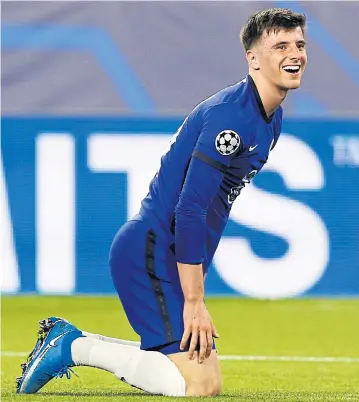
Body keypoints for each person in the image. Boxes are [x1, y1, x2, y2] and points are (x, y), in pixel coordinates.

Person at [16, 7, 307, 397]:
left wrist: (197, 276)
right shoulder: (230, 119)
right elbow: (190, 209)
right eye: (281, 45)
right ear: (252, 58)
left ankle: (70, 340)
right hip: (150, 252)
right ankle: (72, 347)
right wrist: (194, 300)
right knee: (199, 385)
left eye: (300, 44)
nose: (295, 54)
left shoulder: (271, 118)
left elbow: (219, 207)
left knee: (200, 378)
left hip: (168, 254)